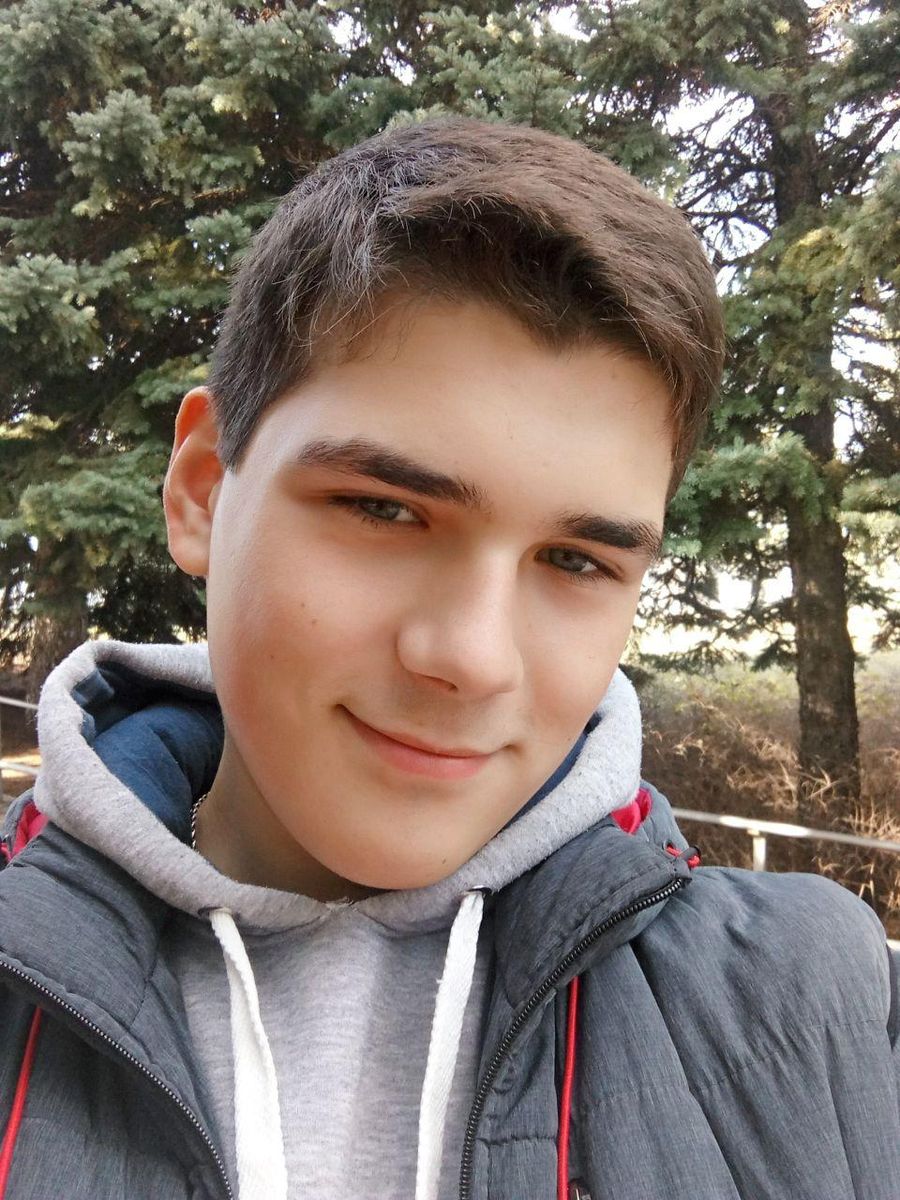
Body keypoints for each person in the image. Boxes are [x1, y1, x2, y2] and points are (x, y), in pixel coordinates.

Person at [0, 116, 897, 1200]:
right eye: (384, 509)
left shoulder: (817, 1001)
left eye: (574, 561)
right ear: (201, 489)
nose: (471, 658)